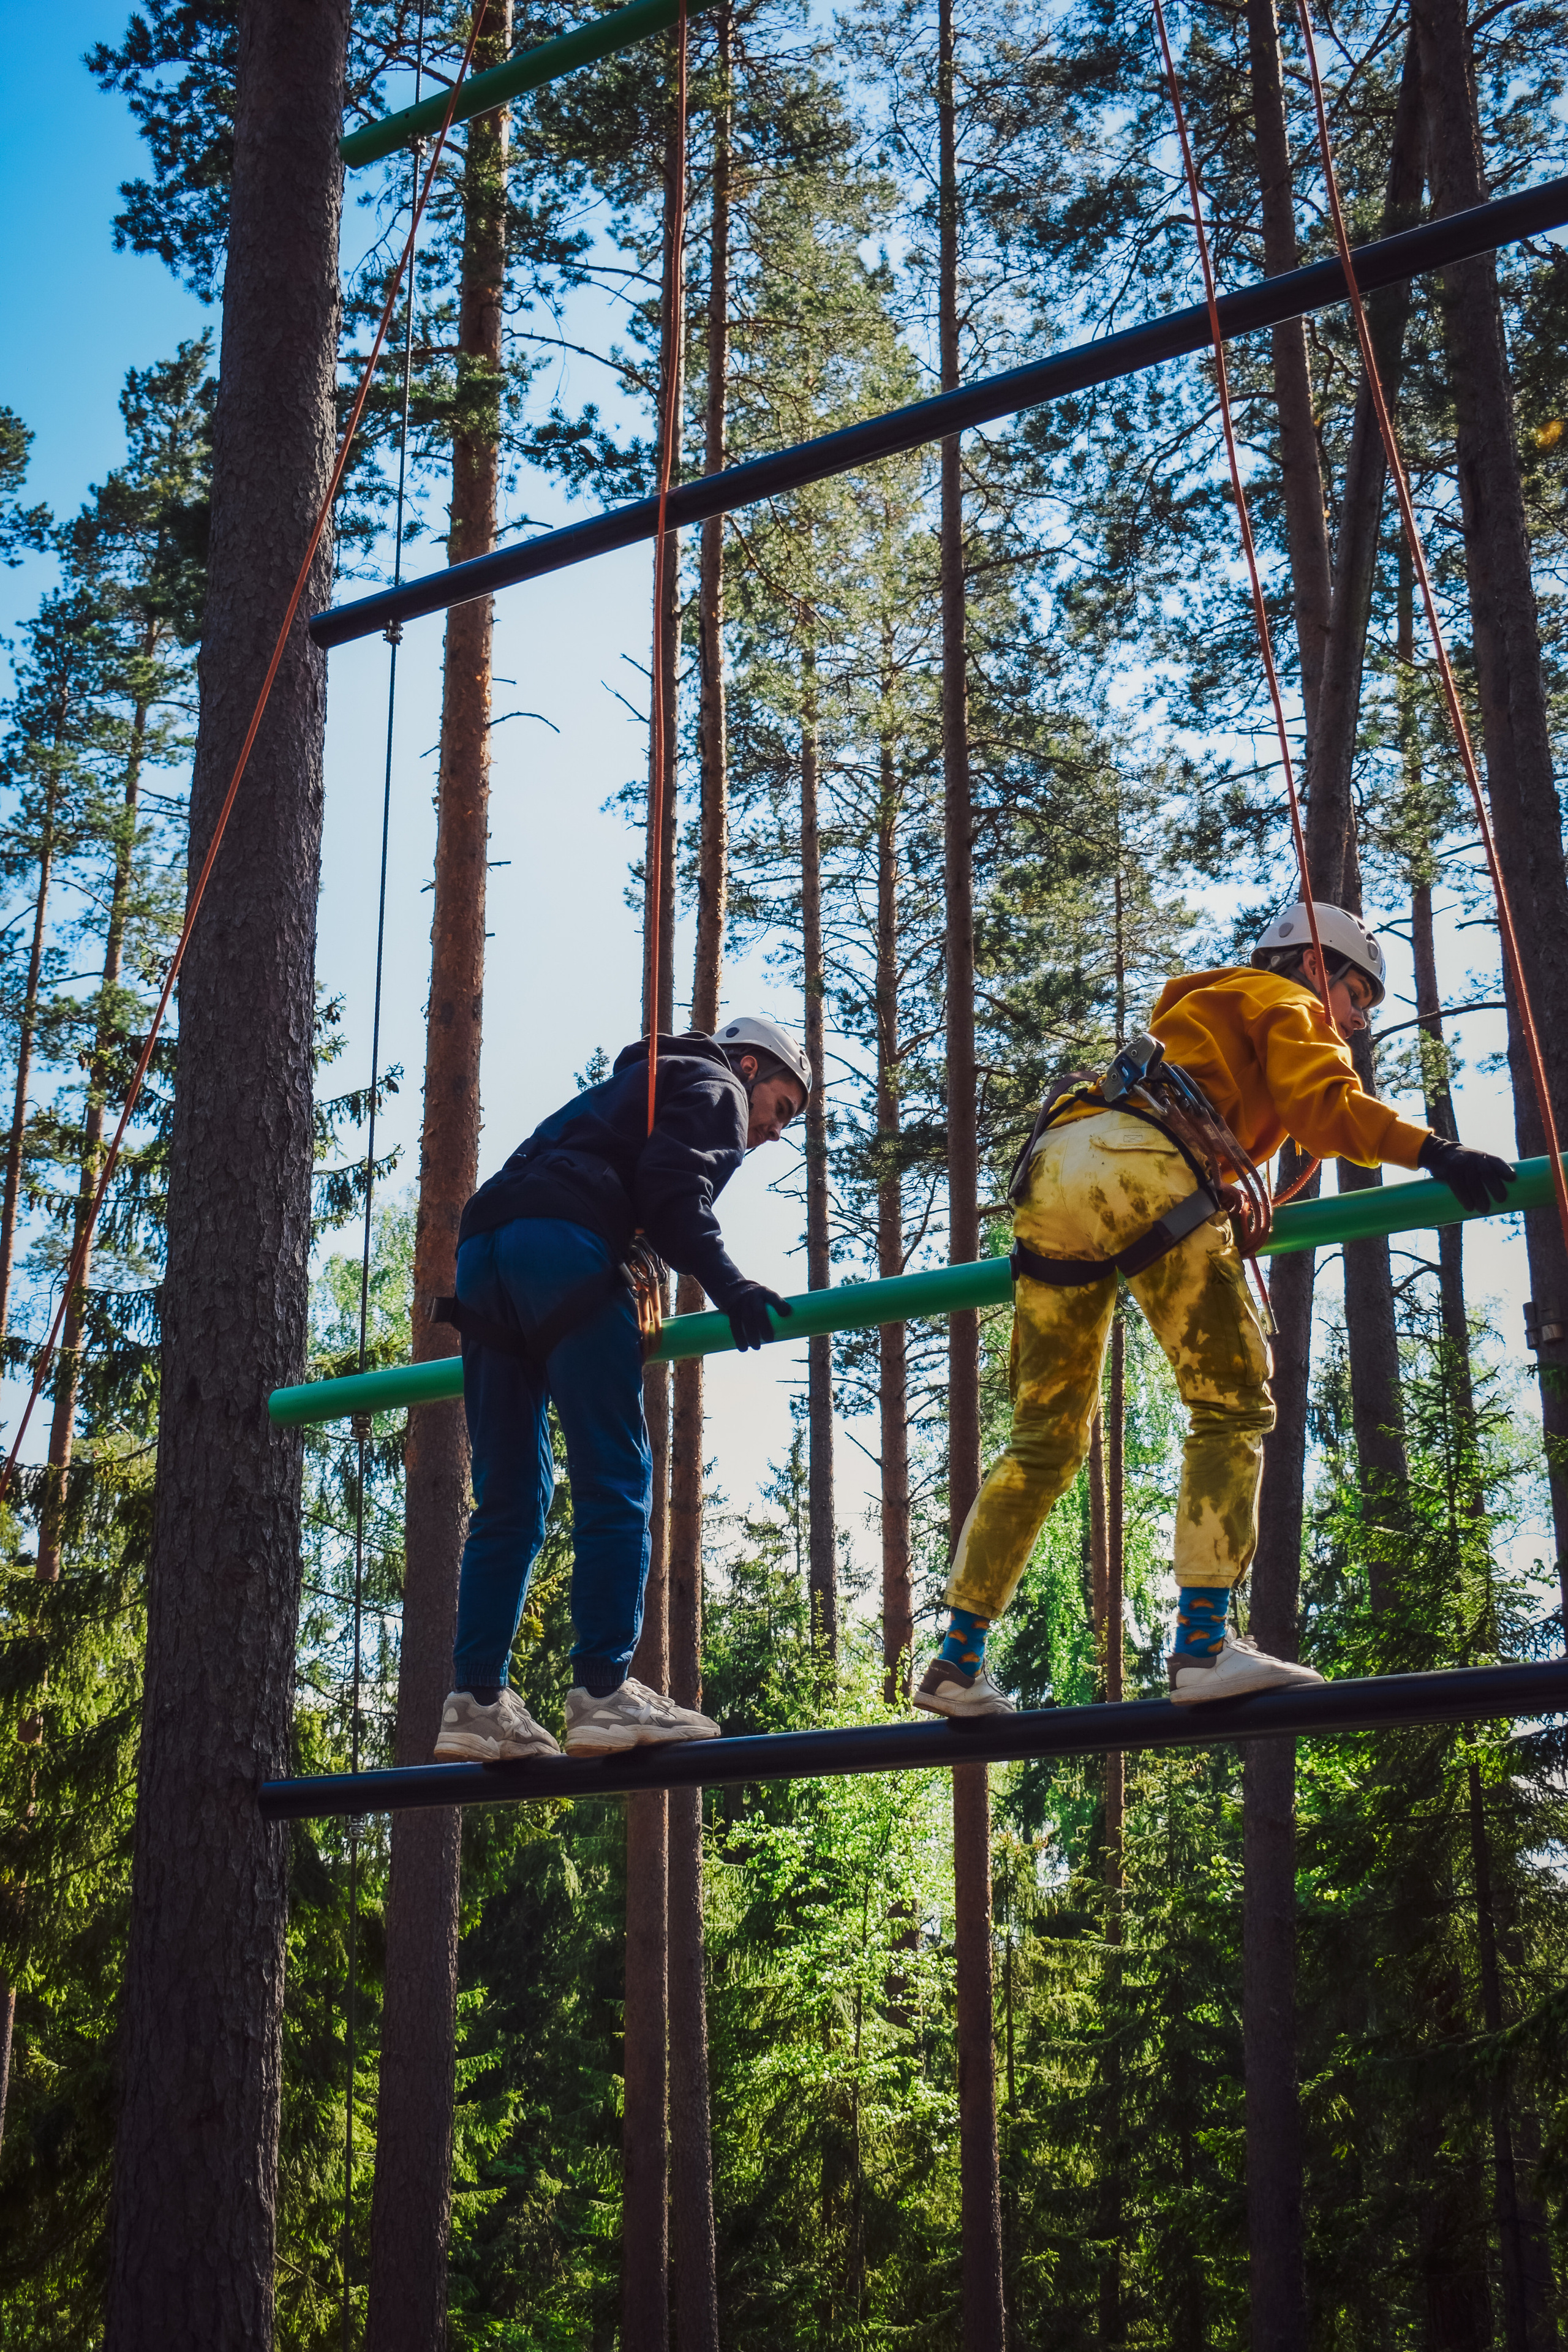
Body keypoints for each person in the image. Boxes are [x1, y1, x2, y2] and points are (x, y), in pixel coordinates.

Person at [913, 904, 1516, 1719]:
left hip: (1054, 1165)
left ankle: (956, 1661)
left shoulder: (1195, 1014)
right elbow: (1324, 1108)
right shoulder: (1285, 1002)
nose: (1354, 1023)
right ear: (1313, 968)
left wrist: (1220, 1189)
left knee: (1043, 1440)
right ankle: (1201, 1645)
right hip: (1144, 1165)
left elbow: (1199, 1107)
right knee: (1231, 1402)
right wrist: (1436, 1152)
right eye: (1356, 1000)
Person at [434, 1016, 809, 1762]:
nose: (771, 1131)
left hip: (483, 1250)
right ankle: (603, 1691)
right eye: (781, 1108)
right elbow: (674, 1190)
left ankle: (474, 1701)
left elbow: (638, 1178)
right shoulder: (715, 1084)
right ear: (749, 1065)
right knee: (615, 1477)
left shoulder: (626, 1091)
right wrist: (731, 1286)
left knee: (511, 1496)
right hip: (563, 1246)